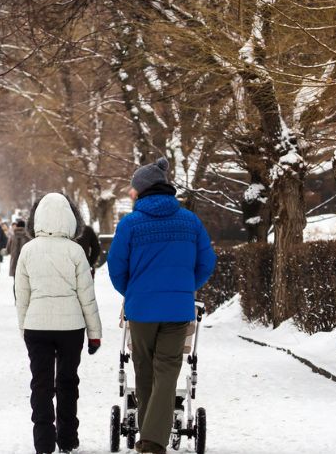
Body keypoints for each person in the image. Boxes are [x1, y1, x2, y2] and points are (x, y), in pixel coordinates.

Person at [107, 158, 217, 454]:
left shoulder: (130, 224)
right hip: (177, 310)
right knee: (167, 370)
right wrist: (186, 288)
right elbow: (207, 262)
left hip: (141, 310)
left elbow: (116, 267)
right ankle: (151, 439)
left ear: (143, 190)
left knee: (143, 369)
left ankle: (151, 440)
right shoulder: (189, 221)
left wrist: (131, 292)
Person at [16, 193, 102, 454]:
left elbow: (22, 296)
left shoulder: (27, 251)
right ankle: (67, 438)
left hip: (37, 327)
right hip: (71, 328)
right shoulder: (76, 251)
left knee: (41, 384)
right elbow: (87, 297)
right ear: (70, 219)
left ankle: (43, 441)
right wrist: (94, 334)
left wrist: (24, 328)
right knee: (67, 381)